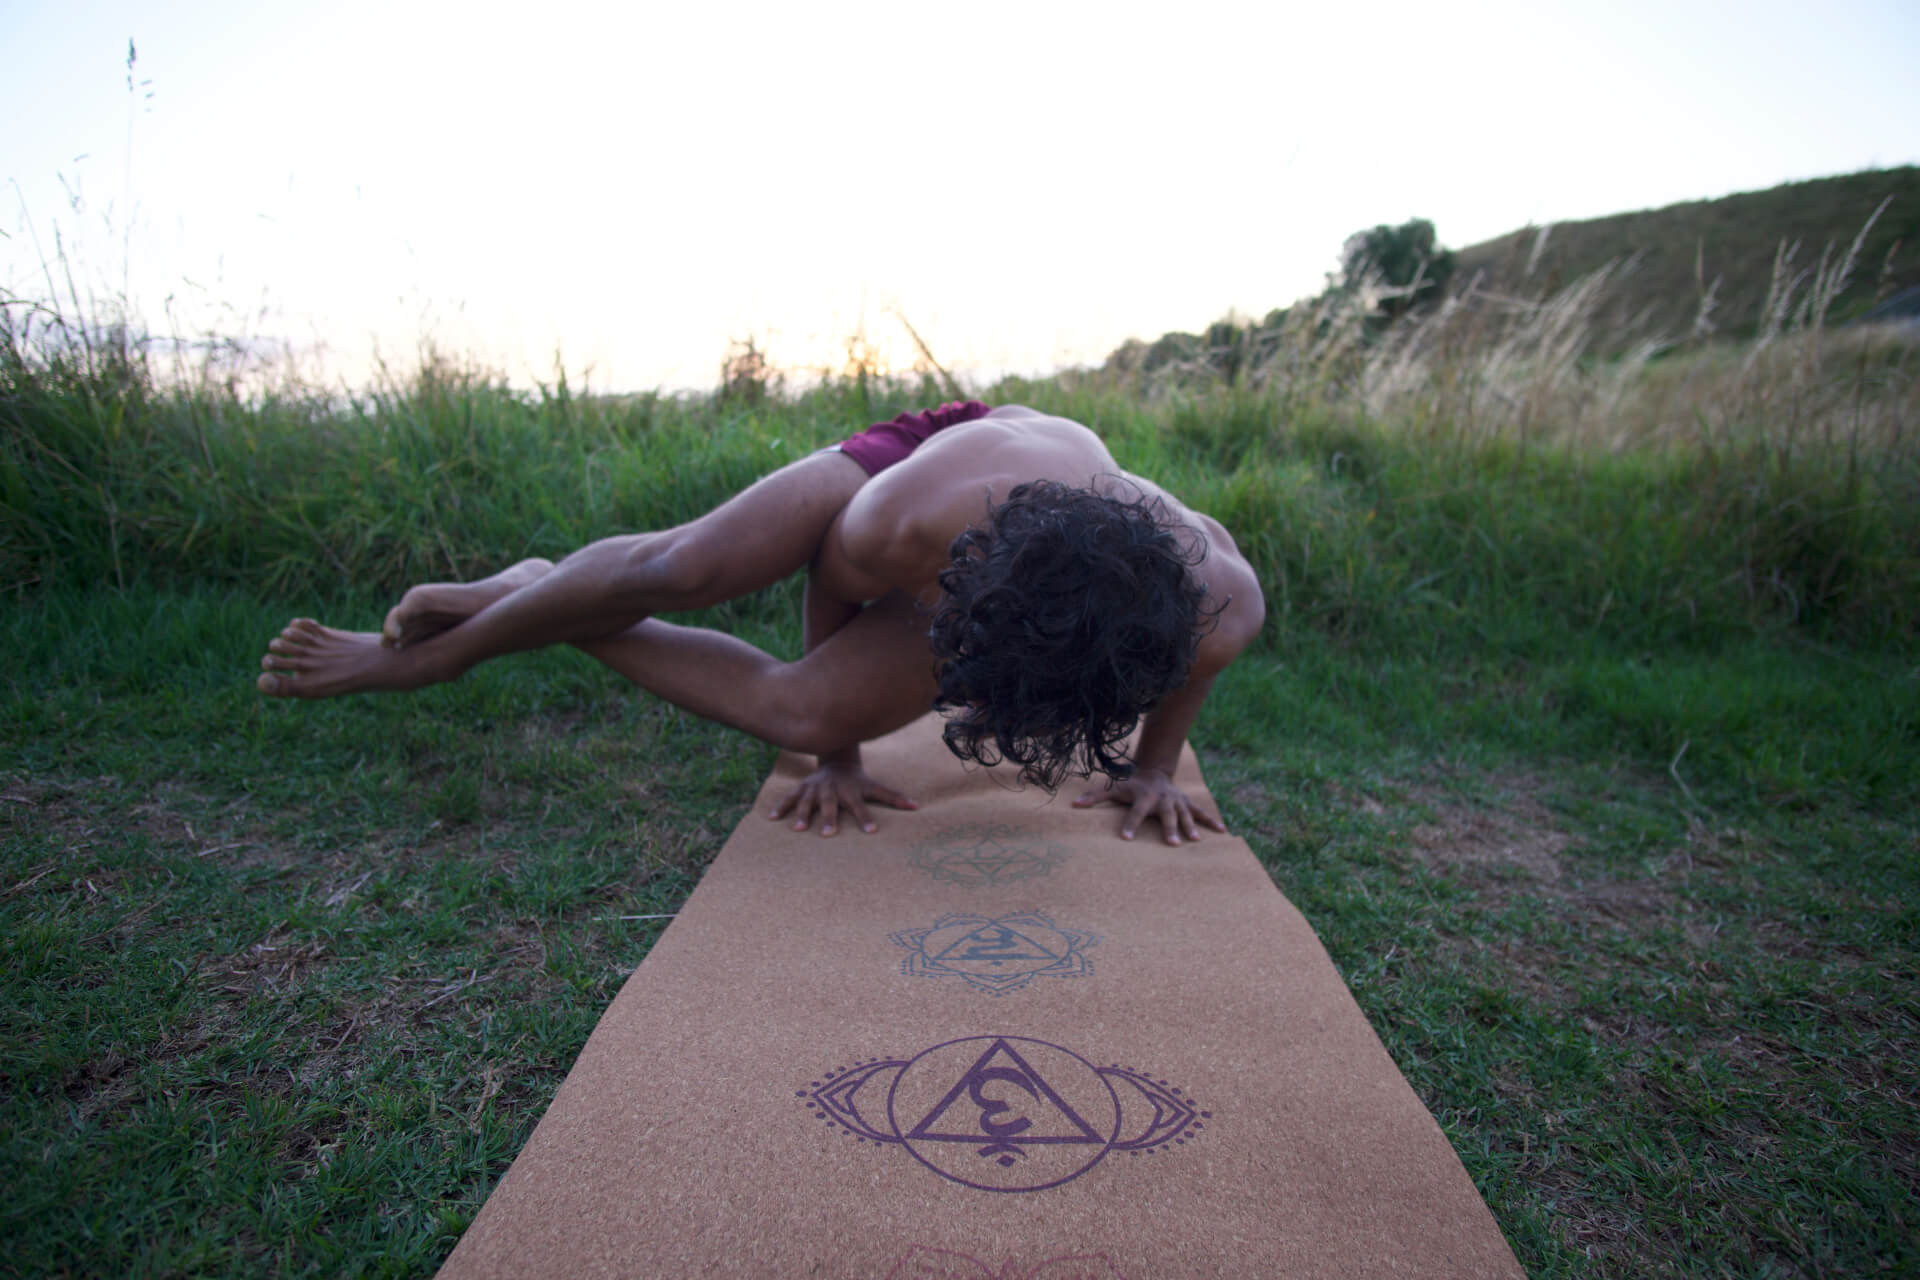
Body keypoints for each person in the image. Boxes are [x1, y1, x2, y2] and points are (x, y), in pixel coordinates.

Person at [256, 402, 1266, 844]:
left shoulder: (1220, 600)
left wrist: (1152, 770)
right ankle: (442, 656)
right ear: (960, 598)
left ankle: (532, 590)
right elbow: (834, 576)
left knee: (797, 712)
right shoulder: (904, 516)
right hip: (926, 461)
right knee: (681, 567)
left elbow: (1197, 669)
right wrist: (841, 759)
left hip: (1047, 565)